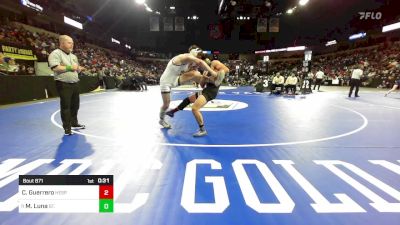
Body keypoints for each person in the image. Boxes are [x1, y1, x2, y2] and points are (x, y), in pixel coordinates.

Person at [159, 45, 220, 129]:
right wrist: (212, 72)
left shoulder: (188, 62)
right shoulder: (185, 56)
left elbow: (186, 71)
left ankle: (213, 81)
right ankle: (161, 120)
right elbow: (200, 62)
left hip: (176, 79)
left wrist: (192, 69)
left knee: (195, 73)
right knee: (166, 104)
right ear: (195, 53)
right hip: (165, 82)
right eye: (198, 56)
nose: (199, 58)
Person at [166, 59, 229, 137]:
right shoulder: (205, 72)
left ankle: (202, 130)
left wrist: (213, 76)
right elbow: (202, 85)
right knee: (187, 100)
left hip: (210, 92)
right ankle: (172, 112)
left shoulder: (215, 66)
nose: (200, 67)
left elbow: (225, 71)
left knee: (195, 108)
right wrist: (204, 78)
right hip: (206, 90)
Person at [48, 35, 86, 135]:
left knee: (75, 106)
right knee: (66, 106)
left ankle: (74, 123)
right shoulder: (55, 53)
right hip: (63, 84)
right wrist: (70, 67)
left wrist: (79, 68)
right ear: (62, 43)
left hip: (75, 83)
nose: (72, 45)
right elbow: (55, 68)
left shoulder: (73, 56)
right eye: (69, 42)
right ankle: (67, 128)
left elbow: (75, 68)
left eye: (72, 43)